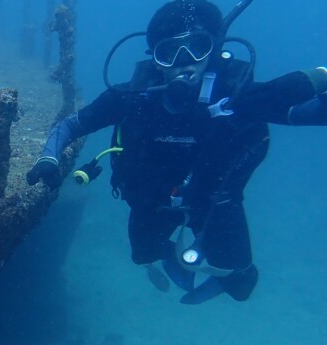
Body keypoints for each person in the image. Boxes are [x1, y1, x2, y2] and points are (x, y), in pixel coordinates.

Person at [27, 0, 327, 304]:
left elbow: (311, 113)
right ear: (156, 60)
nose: (185, 62)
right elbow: (70, 126)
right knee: (143, 256)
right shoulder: (133, 98)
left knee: (241, 284)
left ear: (214, 48)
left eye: (197, 47)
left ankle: (216, 270)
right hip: (150, 200)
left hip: (211, 202)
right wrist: (48, 158)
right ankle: (165, 258)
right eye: (170, 52)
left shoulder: (240, 97)